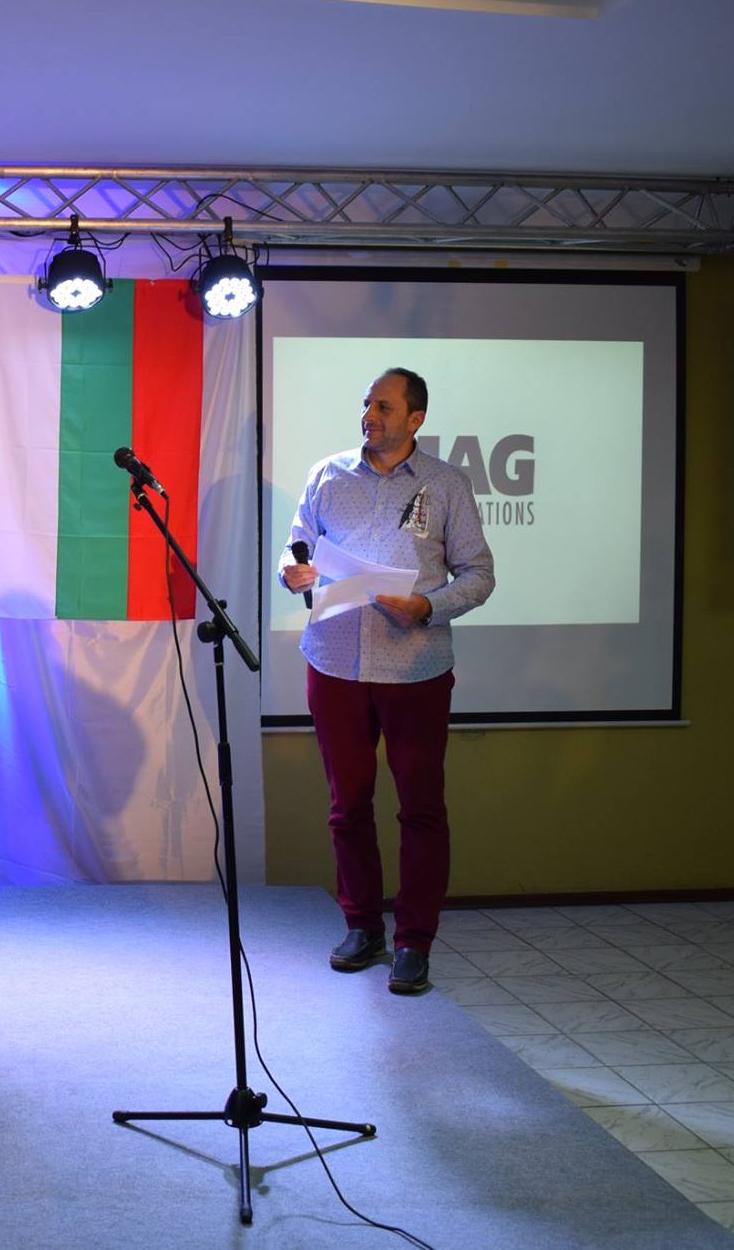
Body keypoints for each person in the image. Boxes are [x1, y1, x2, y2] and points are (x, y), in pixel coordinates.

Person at [280, 368, 494, 996]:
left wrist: (428, 606)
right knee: (347, 806)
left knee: (421, 808)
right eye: (366, 404)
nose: (369, 416)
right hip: (335, 662)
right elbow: (296, 547)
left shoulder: (447, 484)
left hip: (414, 668)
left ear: (415, 419)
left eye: (383, 406)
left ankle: (413, 942)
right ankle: (363, 927)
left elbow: (479, 574)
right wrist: (294, 574)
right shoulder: (328, 475)